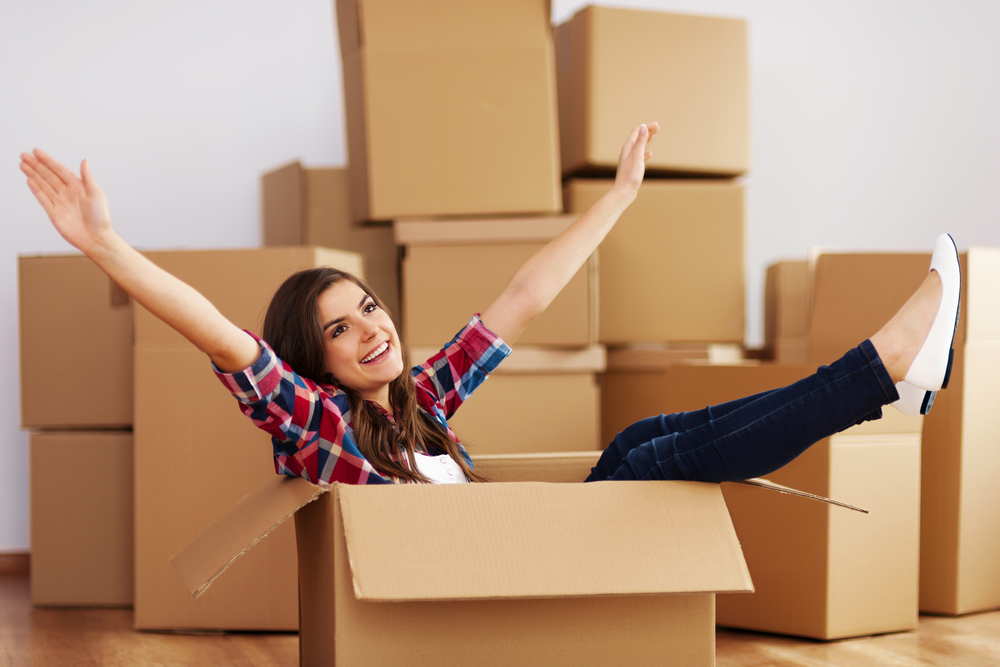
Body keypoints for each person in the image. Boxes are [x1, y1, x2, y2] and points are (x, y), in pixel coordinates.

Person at [18, 123, 961, 487]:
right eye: (338, 330)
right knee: (655, 465)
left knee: (638, 442)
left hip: (524, 551)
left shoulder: (423, 402)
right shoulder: (314, 426)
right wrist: (106, 246)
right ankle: (878, 369)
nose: (370, 330)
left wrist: (620, 199)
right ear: (313, 363)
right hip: (504, 576)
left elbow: (523, 295)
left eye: (369, 307)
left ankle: (886, 380)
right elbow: (219, 334)